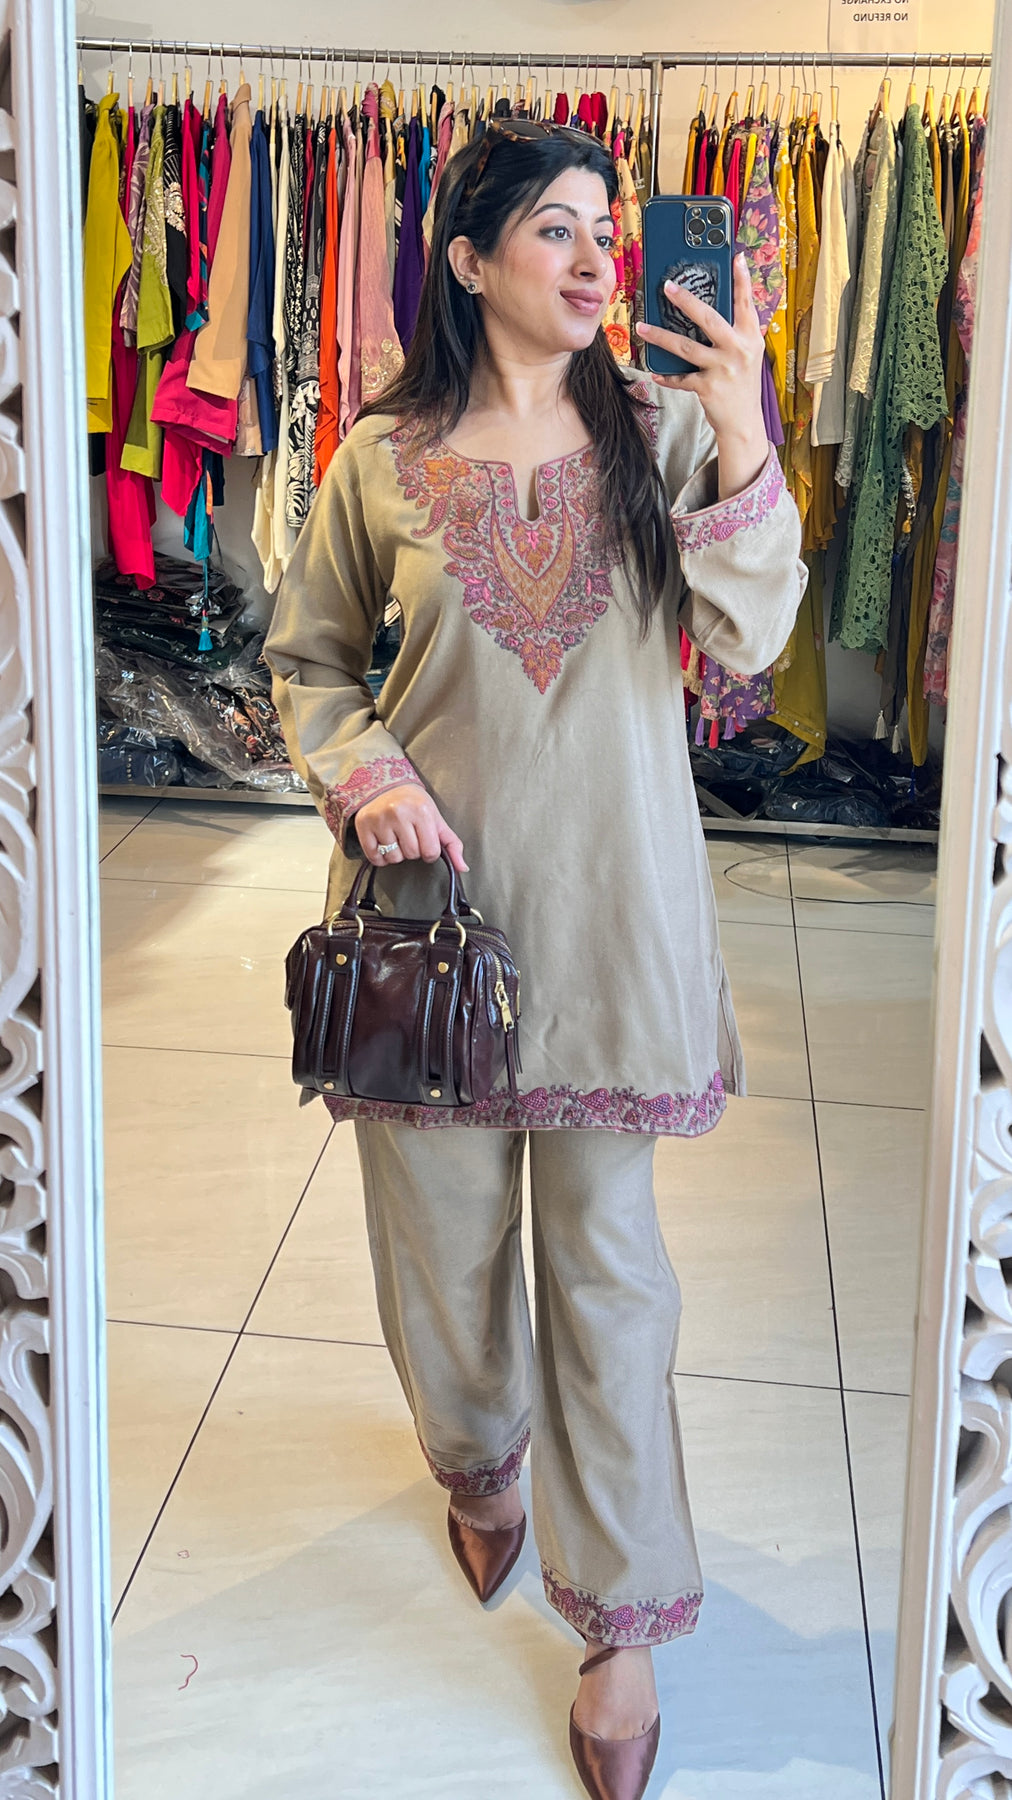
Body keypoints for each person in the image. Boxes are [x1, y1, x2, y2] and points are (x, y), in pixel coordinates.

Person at [265, 118, 805, 1800]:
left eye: (605, 231)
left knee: (609, 1277)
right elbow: (310, 662)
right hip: (431, 938)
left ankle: (623, 1623)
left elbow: (751, 637)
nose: (592, 259)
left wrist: (744, 426)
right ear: (469, 255)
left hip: (613, 930)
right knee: (442, 1259)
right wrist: (366, 776)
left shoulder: (662, 433)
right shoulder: (379, 459)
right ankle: (477, 1455)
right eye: (555, 229)